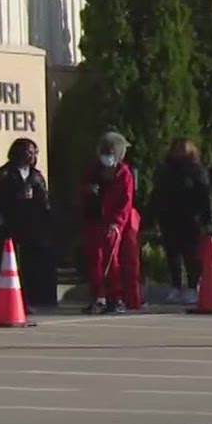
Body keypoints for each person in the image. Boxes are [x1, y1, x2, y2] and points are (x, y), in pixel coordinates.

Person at [0, 137, 55, 309]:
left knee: (28, 264)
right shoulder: (5, 173)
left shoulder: (36, 176)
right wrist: (14, 197)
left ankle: (27, 299)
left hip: (30, 225)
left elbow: (44, 200)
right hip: (9, 223)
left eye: (34, 153)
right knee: (3, 262)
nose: (31, 156)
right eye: (28, 152)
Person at [78, 132, 141, 314]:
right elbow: (81, 191)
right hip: (93, 218)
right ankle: (97, 297)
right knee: (94, 261)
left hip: (112, 223)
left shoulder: (124, 173)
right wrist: (88, 191)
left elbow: (125, 202)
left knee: (111, 261)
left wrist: (116, 223)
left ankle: (115, 297)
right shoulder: (92, 170)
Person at [150, 139, 211, 306]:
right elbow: (157, 193)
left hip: (190, 219)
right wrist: (154, 215)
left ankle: (192, 288)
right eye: (177, 149)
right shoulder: (165, 169)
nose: (180, 153)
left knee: (191, 255)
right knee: (172, 254)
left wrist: (206, 218)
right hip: (169, 218)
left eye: (183, 149)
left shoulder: (196, 169)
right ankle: (175, 286)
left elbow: (203, 194)